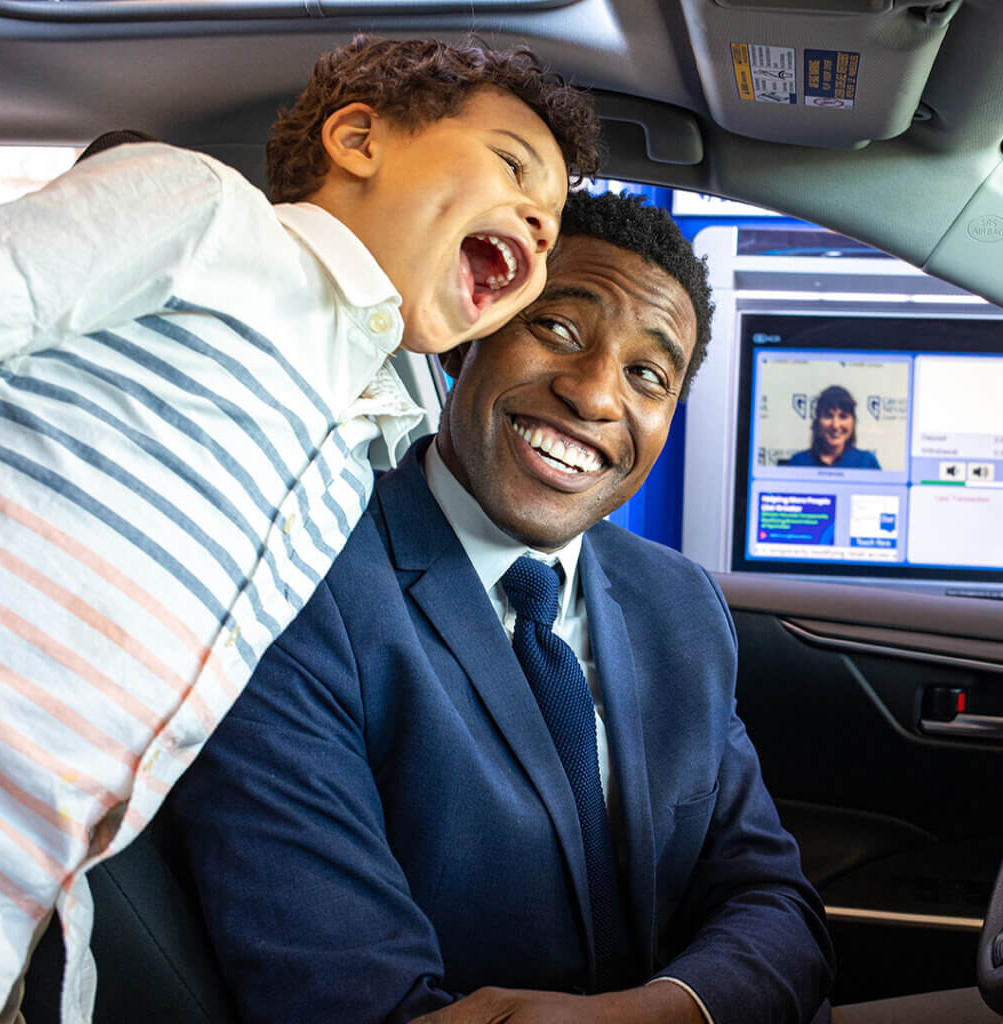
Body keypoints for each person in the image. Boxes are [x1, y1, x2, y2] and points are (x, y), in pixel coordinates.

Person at [0, 36, 600, 1024]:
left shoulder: (366, 435)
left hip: (21, 889)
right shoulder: (205, 214)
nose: (536, 217)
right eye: (512, 166)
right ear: (358, 138)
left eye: (553, 220)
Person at [171, 189, 835, 1024]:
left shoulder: (680, 604)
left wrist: (658, 1012)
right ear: (466, 339)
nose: (595, 396)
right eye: (556, 329)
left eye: (647, 374)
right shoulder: (304, 581)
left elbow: (775, 904)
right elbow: (351, 995)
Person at [786, 385, 881, 468]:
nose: (835, 425)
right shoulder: (798, 462)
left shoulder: (866, 463)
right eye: (828, 416)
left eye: (843, 416)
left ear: (853, 421)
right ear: (818, 421)